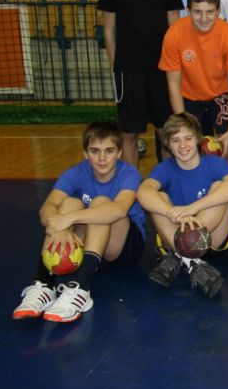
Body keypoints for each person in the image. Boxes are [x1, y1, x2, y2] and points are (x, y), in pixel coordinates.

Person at [13, 122, 146, 323]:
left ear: (119, 153)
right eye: (95, 151)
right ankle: (43, 285)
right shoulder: (75, 173)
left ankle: (80, 288)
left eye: (109, 151)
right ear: (85, 153)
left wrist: (70, 219)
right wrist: (59, 229)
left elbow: (119, 210)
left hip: (123, 247)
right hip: (90, 246)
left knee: (101, 204)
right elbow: (47, 208)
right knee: (69, 203)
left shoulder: (128, 173)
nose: (102, 158)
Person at [98, 0, 183, 167]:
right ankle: (130, 185)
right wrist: (116, 66)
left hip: (161, 70)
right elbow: (109, 29)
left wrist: (173, 68)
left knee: (166, 131)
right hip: (128, 70)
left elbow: (175, 31)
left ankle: (168, 182)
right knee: (129, 134)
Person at [138, 113, 228, 298]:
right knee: (158, 196)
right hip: (175, 236)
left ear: (198, 139)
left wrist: (192, 208)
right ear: (168, 144)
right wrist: (173, 212)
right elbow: (143, 193)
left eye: (188, 138)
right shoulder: (165, 168)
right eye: (175, 140)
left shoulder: (214, 163)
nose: (182, 145)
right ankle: (192, 263)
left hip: (213, 238)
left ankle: (180, 257)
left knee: (220, 188)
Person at [158, 0, 228, 164]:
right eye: (197, 12)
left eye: (209, 12)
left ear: (218, 11)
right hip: (188, 95)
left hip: (220, 93)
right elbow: (173, 83)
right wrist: (183, 123)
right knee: (179, 143)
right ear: (188, 11)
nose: (204, 18)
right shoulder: (174, 34)